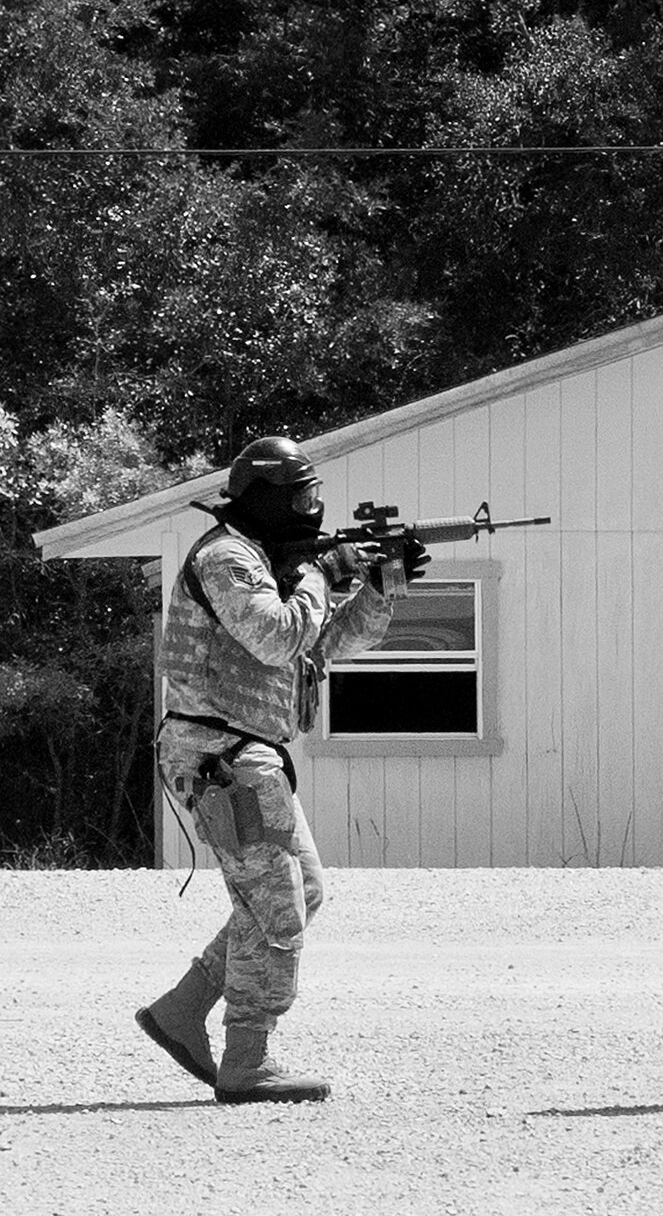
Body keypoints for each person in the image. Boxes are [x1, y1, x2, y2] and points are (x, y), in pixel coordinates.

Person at [135, 435, 424, 1103]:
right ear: (267, 497)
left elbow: (328, 641)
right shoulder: (228, 557)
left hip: (245, 754)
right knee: (277, 904)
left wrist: (380, 587)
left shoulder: (269, 561)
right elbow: (277, 634)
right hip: (219, 755)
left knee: (303, 888)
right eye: (300, 497)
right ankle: (248, 1060)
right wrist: (325, 572)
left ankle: (182, 1010)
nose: (312, 509)